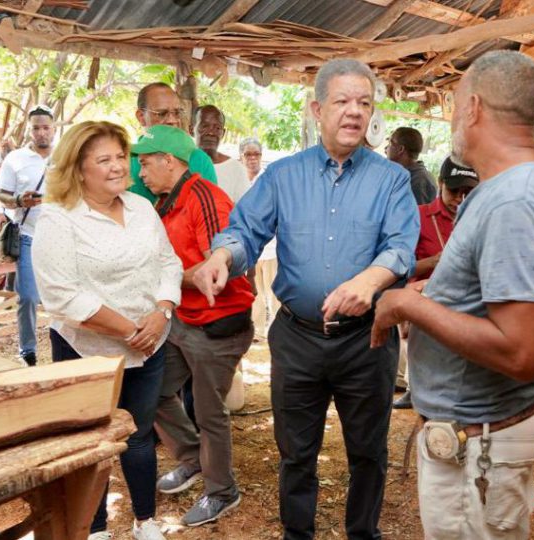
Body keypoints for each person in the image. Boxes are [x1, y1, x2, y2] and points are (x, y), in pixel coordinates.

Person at [194, 58, 419, 540]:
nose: (354, 112)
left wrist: (371, 281)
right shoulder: (282, 176)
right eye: (342, 101)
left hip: (367, 342)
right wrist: (222, 257)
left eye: (363, 103)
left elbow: (401, 246)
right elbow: (245, 231)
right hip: (297, 338)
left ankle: (363, 533)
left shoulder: (391, 180)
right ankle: (298, 534)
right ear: (318, 109)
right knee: (296, 453)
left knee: (367, 453)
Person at [371, 50, 534, 539]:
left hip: (481, 445)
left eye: (454, 105)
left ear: (473, 108)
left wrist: (409, 303)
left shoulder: (514, 202)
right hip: (487, 432)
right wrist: (441, 294)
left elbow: (520, 350)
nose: (453, 119)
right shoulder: (528, 184)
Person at [32, 121, 183, 540]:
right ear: (79, 169)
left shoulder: (141, 207)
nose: (118, 166)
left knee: (139, 434)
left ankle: (145, 521)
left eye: (121, 156)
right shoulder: (59, 218)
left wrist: (162, 311)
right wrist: (130, 328)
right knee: (92, 441)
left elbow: (168, 263)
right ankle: (95, 529)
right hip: (87, 350)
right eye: (105, 159)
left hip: (149, 343)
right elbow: (62, 295)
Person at [132, 125, 255, 527]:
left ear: (170, 161)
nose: (141, 171)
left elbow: (211, 268)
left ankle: (222, 491)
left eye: (146, 163)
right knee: (155, 394)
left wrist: (167, 278)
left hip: (219, 323)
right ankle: (193, 459)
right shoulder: (166, 199)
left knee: (209, 411)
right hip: (186, 319)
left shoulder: (204, 197)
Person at [393, 156, 479, 410]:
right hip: (426, 308)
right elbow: (400, 268)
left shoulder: (479, 219)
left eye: (468, 192)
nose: (460, 200)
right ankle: (415, 389)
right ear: (440, 183)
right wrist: (434, 263)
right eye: (454, 191)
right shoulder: (418, 217)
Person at [0, 104, 55, 367]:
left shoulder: (65, 158)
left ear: (54, 129)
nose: (41, 133)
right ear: (30, 131)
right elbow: (2, 195)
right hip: (29, 236)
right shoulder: (15, 159)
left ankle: (64, 345)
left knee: (61, 296)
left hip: (61, 239)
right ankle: (27, 349)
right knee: (29, 296)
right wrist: (19, 199)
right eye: (36, 128)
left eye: (46, 128)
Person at [129, 82, 217, 203]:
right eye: (162, 113)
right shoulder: (124, 160)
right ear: (141, 117)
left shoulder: (199, 159)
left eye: (177, 113)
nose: (172, 120)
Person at [239, 137, 279, 339]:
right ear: (241, 157)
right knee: (254, 294)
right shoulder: (239, 180)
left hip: (271, 248)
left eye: (257, 154)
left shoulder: (269, 180)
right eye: (248, 154)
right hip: (250, 250)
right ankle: (257, 332)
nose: (253, 158)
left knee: (273, 293)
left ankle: (275, 331)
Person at [194, 105, 250, 203]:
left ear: (223, 133)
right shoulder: (180, 163)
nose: (211, 132)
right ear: (191, 129)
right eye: (205, 126)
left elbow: (244, 211)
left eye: (217, 128)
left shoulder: (236, 169)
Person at [385, 126, 437, 204]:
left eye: (390, 143)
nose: (386, 148)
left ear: (400, 149)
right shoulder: (408, 175)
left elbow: (417, 214)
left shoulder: (419, 181)